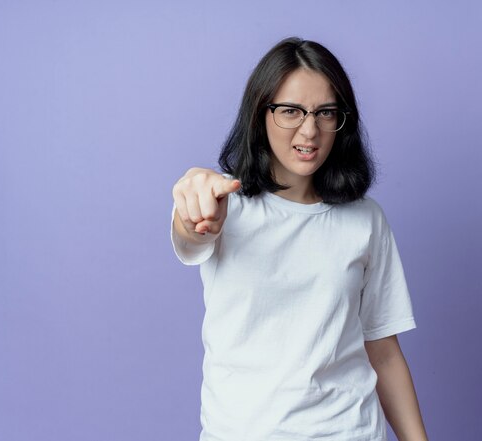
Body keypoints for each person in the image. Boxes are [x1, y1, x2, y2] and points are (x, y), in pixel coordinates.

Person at [171, 37, 428, 441]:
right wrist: (193, 200)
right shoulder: (223, 205)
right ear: (260, 114)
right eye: (290, 111)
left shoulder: (365, 221)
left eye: (326, 112)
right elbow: (190, 234)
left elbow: (384, 350)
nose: (310, 130)